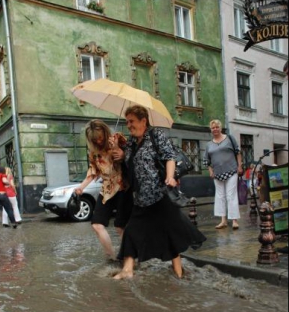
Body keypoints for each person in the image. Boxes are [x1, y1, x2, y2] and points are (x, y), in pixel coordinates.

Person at [111, 105, 206, 280]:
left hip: (159, 195)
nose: (129, 125)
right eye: (127, 122)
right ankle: (127, 270)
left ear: (143, 121)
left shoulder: (156, 136)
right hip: (140, 198)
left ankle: (178, 273)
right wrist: (119, 151)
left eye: (131, 121)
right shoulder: (132, 142)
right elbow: (128, 160)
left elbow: (169, 157)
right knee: (131, 231)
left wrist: (170, 177)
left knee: (169, 232)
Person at [75, 119, 133, 260]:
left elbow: (134, 155)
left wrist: (122, 153)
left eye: (101, 138)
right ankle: (112, 257)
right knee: (96, 224)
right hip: (107, 189)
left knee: (120, 226)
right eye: (95, 140)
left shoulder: (118, 139)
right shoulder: (94, 152)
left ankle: (130, 257)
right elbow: (93, 171)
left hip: (122, 187)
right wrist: (81, 188)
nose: (99, 142)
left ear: (105, 132)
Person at [203, 119, 243, 230]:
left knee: (231, 195)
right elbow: (206, 160)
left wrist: (239, 166)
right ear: (210, 130)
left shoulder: (229, 139)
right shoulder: (209, 145)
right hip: (217, 174)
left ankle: (234, 220)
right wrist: (210, 171)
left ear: (220, 128)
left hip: (231, 171)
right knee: (220, 196)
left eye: (217, 127)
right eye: (213, 128)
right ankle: (223, 220)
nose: (215, 129)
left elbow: (238, 152)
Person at [0, 166, 18, 232]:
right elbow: (4, 181)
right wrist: (8, 183)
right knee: (9, 209)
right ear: (3, 171)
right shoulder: (2, 175)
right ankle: (13, 223)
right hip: (2, 194)